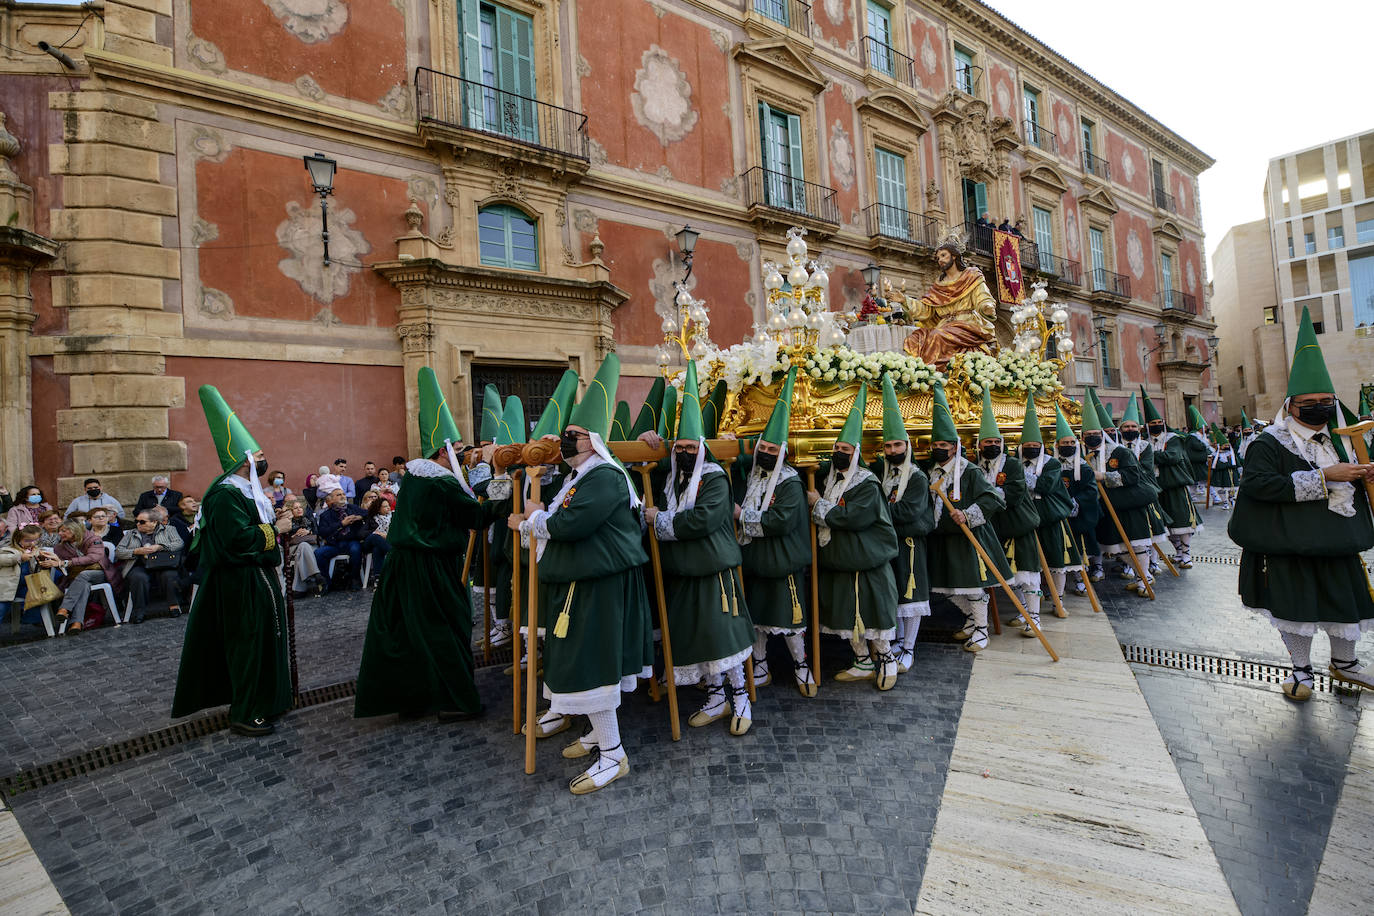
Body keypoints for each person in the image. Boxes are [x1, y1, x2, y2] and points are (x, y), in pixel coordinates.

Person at [510, 354, 655, 794]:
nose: (564, 442)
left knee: (592, 666)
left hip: (597, 586)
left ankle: (614, 755)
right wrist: (536, 512)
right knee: (582, 661)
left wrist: (534, 518)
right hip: (582, 582)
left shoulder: (605, 478)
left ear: (591, 441)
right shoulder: (580, 476)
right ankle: (598, 735)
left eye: (571, 436)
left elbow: (570, 525)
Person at [1231, 305, 1374, 700]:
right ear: (1291, 405)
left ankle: (1346, 664)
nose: (1320, 408)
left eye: (1326, 400)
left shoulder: (1344, 439)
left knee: (1345, 603)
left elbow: (1356, 483)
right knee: (1296, 609)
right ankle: (1300, 671)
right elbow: (1259, 485)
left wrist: (1364, 475)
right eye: (1310, 401)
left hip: (1339, 542)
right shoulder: (1268, 443)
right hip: (1291, 544)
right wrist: (1323, 478)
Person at [355, 366, 509, 726]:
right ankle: (457, 701)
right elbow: (477, 514)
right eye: (457, 450)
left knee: (408, 633)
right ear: (444, 453)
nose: (463, 454)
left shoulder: (417, 478)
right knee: (446, 631)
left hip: (404, 566)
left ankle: (414, 698)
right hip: (432, 569)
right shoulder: (439, 483)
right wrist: (499, 477)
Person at [172, 385, 294, 737]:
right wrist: (275, 529)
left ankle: (269, 699)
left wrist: (273, 527)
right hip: (239, 582)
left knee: (266, 639)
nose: (263, 458)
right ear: (244, 460)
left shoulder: (244, 492)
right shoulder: (225, 495)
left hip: (257, 576)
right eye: (258, 453)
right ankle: (246, 710)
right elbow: (235, 541)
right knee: (249, 644)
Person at [645, 361, 758, 732]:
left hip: (714, 573)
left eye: (691, 447)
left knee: (722, 637)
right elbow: (643, 472)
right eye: (679, 447)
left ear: (703, 449)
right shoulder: (672, 479)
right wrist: (651, 443)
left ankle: (740, 698)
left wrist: (658, 520)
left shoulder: (714, 479)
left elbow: (703, 521)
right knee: (697, 640)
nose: (684, 453)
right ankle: (716, 697)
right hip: (682, 575)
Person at [805, 382, 902, 688]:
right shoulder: (830, 478)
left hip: (866, 561)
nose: (838, 453)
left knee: (873, 613)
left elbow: (851, 517)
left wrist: (817, 503)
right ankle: (862, 661)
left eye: (844, 450)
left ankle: (886, 659)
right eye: (835, 449)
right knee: (845, 614)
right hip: (838, 562)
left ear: (856, 453)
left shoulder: (866, 483)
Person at [735, 369, 817, 696]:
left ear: (782, 452)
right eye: (763, 448)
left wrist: (744, 515)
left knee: (790, 619)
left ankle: (801, 665)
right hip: (755, 562)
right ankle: (760, 664)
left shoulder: (790, 481)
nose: (767, 454)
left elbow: (782, 520)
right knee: (757, 618)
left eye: (773, 450)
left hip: (783, 564)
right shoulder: (753, 473)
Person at [924, 380, 1010, 652]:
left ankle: (982, 630)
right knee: (947, 588)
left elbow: (993, 498)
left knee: (973, 587)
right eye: (935, 443)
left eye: (944, 444)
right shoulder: (930, 472)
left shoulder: (969, 471)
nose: (940, 448)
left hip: (966, 537)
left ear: (954, 447)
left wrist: (968, 514)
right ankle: (972, 620)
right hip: (942, 539)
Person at [871, 372, 935, 671]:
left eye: (898, 445)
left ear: (907, 446)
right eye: (888, 447)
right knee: (892, 593)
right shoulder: (882, 473)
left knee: (912, 595)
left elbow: (908, 511)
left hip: (910, 544)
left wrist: (876, 516)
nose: (893, 451)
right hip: (889, 543)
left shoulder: (918, 477)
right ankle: (895, 641)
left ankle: (909, 647)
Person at [976, 388, 1043, 637]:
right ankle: (1021, 610)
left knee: (1026, 572)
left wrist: (986, 500)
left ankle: (1034, 617)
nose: (993, 446)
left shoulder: (1012, 464)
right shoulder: (975, 467)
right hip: (994, 529)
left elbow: (1012, 494)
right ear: (980, 444)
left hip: (1018, 525)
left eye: (996, 442)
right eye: (988, 442)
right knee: (1007, 573)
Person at [1083, 390, 1155, 596]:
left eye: (1096, 434)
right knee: (1116, 547)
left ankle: (1144, 579)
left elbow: (1133, 476)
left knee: (1135, 544)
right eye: (1088, 435)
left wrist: (1103, 476)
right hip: (1104, 508)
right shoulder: (1081, 454)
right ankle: (1142, 575)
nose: (1092, 437)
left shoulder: (1119, 452)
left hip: (1128, 506)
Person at [901, 243, 998, 368]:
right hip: (946, 325)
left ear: (954, 256)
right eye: (938, 258)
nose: (940, 260)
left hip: (967, 323)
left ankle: (933, 373)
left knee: (936, 336)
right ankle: (925, 374)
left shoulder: (971, 275)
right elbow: (927, 309)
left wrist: (986, 306)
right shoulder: (939, 285)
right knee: (915, 338)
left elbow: (982, 296)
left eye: (943, 255)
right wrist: (904, 300)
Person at [1025, 402, 1081, 604]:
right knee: (1032, 561)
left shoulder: (1052, 463)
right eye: (1027, 446)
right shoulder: (1017, 463)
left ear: (1042, 446)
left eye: (1035, 446)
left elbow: (1045, 486)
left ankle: (1058, 596)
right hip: (1028, 519)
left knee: (1056, 558)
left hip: (1051, 518)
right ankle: (1035, 597)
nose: (1031, 449)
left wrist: (1021, 477)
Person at [1142, 388, 1202, 568]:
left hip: (1175, 486)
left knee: (1182, 521)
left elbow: (1173, 457)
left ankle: (1186, 554)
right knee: (1161, 524)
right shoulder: (1144, 440)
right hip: (1155, 487)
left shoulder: (1174, 438)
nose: (1156, 425)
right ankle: (1171, 553)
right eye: (1153, 422)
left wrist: (1149, 455)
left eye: (1159, 422)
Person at [47, 518, 119, 632]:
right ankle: (76, 623)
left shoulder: (93, 539)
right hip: (76, 578)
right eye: (59, 531)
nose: (60, 534)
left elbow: (94, 557)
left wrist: (68, 562)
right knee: (84, 585)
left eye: (64, 531)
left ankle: (65, 608)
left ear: (75, 530)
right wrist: (54, 562)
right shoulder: (59, 547)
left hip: (100, 573)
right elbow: (62, 568)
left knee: (84, 575)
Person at [1059, 404, 1099, 598]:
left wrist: (1075, 503)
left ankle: (1081, 580)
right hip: (1059, 515)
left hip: (1079, 515)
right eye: (1063, 443)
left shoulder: (1083, 467)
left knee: (1080, 550)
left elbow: (1091, 491)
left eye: (1071, 442)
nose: (1068, 446)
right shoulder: (1052, 465)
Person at [117, 510, 184, 623]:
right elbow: (119, 551)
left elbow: (179, 543)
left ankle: (174, 605)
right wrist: (136, 551)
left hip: (163, 563)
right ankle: (139, 611)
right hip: (139, 564)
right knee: (138, 578)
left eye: (142, 522)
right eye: (137, 521)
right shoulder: (131, 533)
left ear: (154, 522)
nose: (138, 524)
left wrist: (160, 547)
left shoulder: (169, 529)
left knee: (169, 575)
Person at [314, 489, 367, 589]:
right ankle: (326, 582)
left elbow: (368, 513)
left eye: (343, 494)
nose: (343, 496)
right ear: (332, 500)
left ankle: (354, 578)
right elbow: (323, 532)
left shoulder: (352, 508)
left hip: (351, 541)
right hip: (335, 544)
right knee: (319, 553)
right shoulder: (326, 515)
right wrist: (342, 524)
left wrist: (359, 517)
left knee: (355, 549)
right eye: (339, 495)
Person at [1, 525, 44, 630]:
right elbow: (2, 559)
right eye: (28, 540)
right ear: (17, 540)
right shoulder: (9, 550)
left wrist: (41, 558)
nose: (32, 543)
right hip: (8, 586)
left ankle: (30, 618)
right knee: (2, 607)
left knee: (40, 595)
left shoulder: (35, 551)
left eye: (35, 540)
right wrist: (19, 557)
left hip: (25, 585)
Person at [283, 497, 325, 596]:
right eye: (295, 508)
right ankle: (316, 574)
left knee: (302, 551)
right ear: (290, 511)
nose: (299, 509)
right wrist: (292, 536)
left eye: (300, 507)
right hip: (293, 547)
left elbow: (317, 532)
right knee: (303, 546)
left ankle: (299, 589)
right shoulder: (287, 522)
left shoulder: (309, 519)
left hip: (311, 546)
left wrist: (309, 531)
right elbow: (282, 539)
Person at [362, 495, 392, 586]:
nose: (388, 508)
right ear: (378, 509)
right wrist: (376, 532)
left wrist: (385, 535)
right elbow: (361, 533)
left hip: (384, 542)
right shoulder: (371, 518)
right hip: (369, 543)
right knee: (375, 537)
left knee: (377, 549)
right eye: (385, 506)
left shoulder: (393, 517)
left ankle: (378, 578)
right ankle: (393, 553)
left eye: (388, 506)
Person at [1209, 436, 1239, 509]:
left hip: (1231, 474)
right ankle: (1225, 502)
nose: (1227, 446)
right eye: (1225, 445)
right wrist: (1227, 465)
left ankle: (1231, 498)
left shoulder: (1231, 454)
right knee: (1221, 489)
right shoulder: (1215, 455)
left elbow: (1235, 464)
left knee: (1232, 488)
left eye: (1228, 445)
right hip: (1220, 475)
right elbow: (1217, 465)